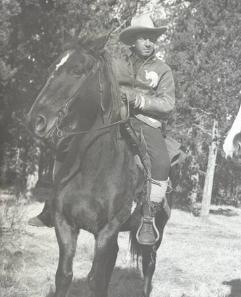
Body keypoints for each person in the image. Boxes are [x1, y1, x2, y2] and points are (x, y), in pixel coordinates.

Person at [29, 14, 175, 247]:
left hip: (146, 123)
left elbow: (168, 104)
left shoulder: (163, 70)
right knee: (66, 143)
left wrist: (138, 100)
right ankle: (51, 204)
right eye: (143, 38)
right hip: (112, 118)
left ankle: (148, 217)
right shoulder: (117, 64)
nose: (149, 42)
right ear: (132, 41)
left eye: (152, 38)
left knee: (160, 163)